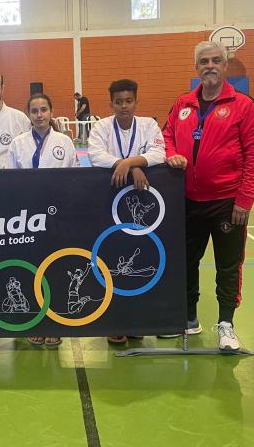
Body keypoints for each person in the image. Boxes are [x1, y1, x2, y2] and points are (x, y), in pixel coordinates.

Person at [162, 40, 254, 352]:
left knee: (228, 265)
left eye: (216, 60)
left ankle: (226, 324)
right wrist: (170, 154)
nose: (210, 66)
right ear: (196, 67)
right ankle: (189, 317)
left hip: (227, 203)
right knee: (186, 261)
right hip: (188, 201)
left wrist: (244, 199)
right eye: (204, 61)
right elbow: (166, 135)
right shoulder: (182, 104)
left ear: (225, 65)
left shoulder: (243, 105)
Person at [87, 78, 166, 345]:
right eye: (119, 102)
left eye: (129, 101)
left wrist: (130, 163)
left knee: (141, 260)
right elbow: (95, 155)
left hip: (140, 204)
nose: (124, 106)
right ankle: (115, 322)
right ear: (111, 104)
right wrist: (128, 166)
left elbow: (160, 153)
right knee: (111, 260)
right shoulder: (101, 127)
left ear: (136, 102)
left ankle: (136, 320)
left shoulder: (148, 125)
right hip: (108, 202)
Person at [8, 92, 79, 346]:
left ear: (51, 112)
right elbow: (11, 181)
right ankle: (35, 320)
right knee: (31, 267)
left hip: (58, 215)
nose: (39, 115)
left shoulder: (64, 141)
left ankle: (54, 322)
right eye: (34, 111)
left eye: (43, 110)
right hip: (28, 217)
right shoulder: (18, 143)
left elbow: (74, 177)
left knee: (55, 268)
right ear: (28, 115)